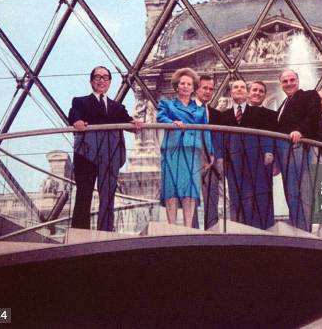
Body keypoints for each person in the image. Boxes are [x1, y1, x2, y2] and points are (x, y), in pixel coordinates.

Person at [68, 66, 142, 231]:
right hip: (86, 154)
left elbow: (128, 121)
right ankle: (80, 232)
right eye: (97, 77)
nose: (101, 80)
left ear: (109, 82)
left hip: (110, 155)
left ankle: (106, 231)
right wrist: (77, 121)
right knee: (84, 194)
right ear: (91, 81)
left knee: (108, 196)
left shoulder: (117, 107)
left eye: (105, 77)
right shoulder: (80, 101)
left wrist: (134, 123)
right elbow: (74, 114)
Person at [156, 68, 213, 228]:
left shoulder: (200, 110)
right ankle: (172, 225)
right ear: (177, 86)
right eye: (183, 83)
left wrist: (210, 154)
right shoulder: (166, 104)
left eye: (189, 84)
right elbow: (160, 117)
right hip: (172, 149)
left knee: (191, 187)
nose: (186, 86)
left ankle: (188, 226)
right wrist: (172, 123)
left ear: (194, 87)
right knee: (171, 187)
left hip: (191, 151)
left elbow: (205, 132)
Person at [219, 80, 275, 229]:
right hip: (233, 162)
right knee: (235, 195)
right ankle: (238, 228)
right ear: (231, 92)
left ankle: (258, 229)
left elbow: (267, 133)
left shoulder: (259, 112)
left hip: (256, 160)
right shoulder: (223, 115)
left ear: (247, 93)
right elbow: (219, 138)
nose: (239, 90)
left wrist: (268, 151)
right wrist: (220, 158)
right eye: (235, 87)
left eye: (242, 87)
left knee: (258, 196)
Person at [276, 69, 321, 231]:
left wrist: (300, 131)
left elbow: (313, 115)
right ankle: (297, 226)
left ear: (298, 80)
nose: (289, 84)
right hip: (285, 152)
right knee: (291, 191)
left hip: (299, 147)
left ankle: (303, 229)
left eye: (292, 80)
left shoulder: (310, 95)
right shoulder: (284, 104)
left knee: (302, 191)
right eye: (285, 81)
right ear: (281, 84)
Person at [195, 74, 222, 229]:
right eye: (204, 88)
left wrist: (217, 159)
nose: (208, 92)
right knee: (190, 198)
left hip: (211, 164)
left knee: (212, 200)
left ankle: (212, 231)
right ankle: (191, 234)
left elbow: (218, 139)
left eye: (211, 89)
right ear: (196, 89)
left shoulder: (216, 114)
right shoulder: (186, 110)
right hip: (191, 159)